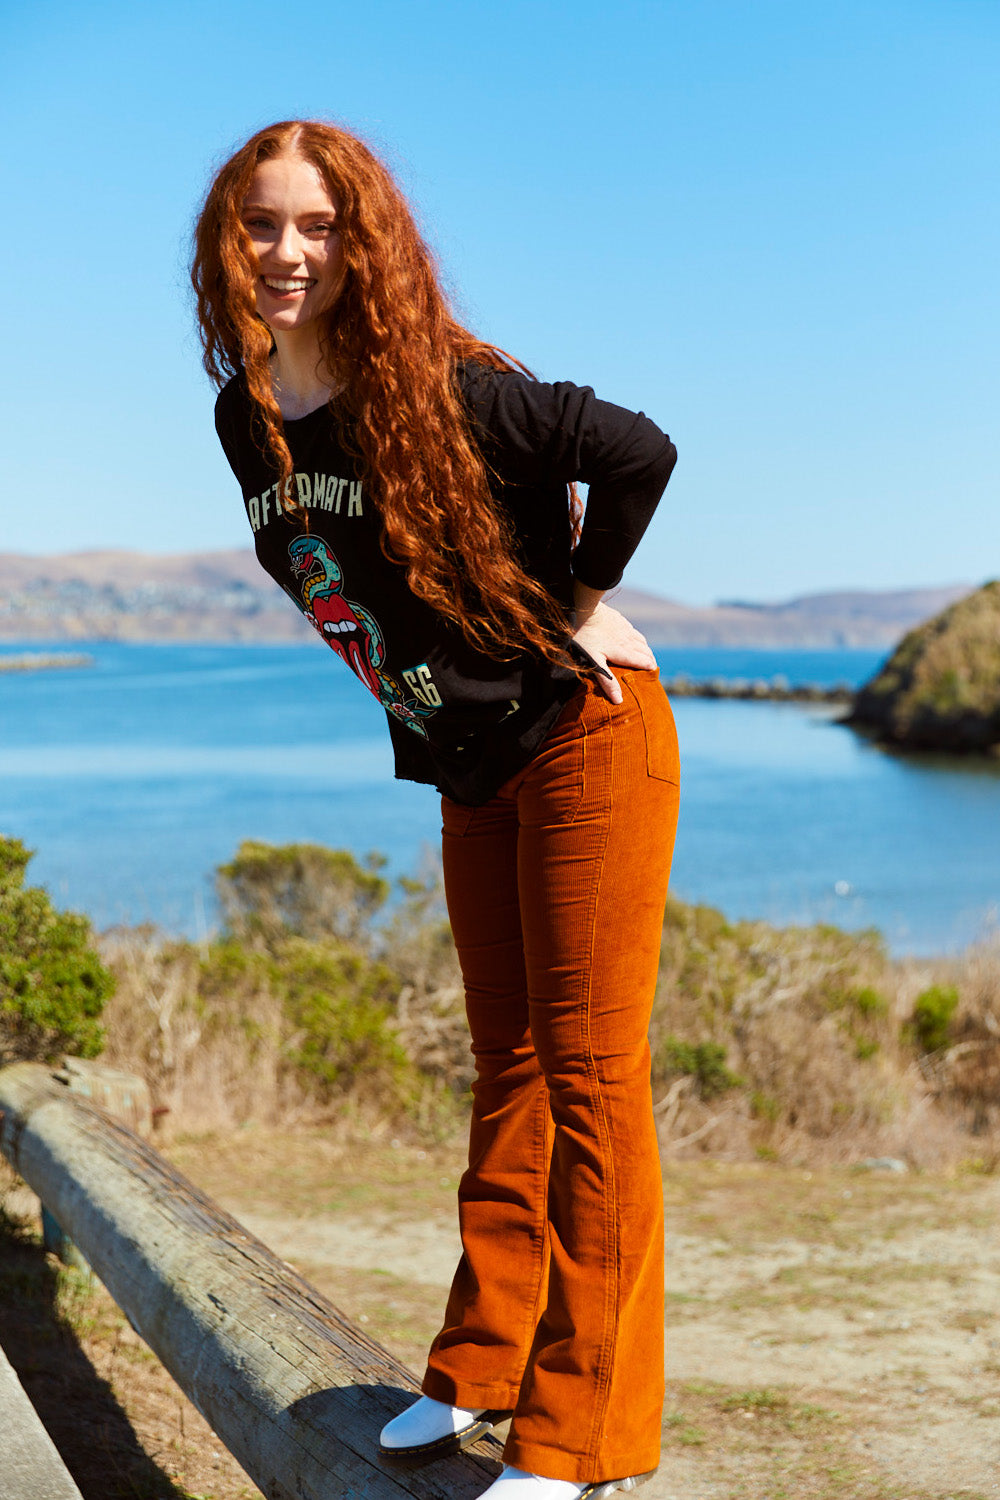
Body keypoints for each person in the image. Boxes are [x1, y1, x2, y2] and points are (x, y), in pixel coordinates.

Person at [192, 119, 680, 1500]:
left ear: (365, 244)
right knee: (510, 1074)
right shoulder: (247, 418)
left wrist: (575, 600)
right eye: (261, 224)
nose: (289, 253)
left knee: (588, 1085)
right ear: (224, 241)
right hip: (474, 767)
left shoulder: (447, 387)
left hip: (587, 735)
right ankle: (479, 1373)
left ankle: (580, 1441)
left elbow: (635, 449)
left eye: (320, 228)